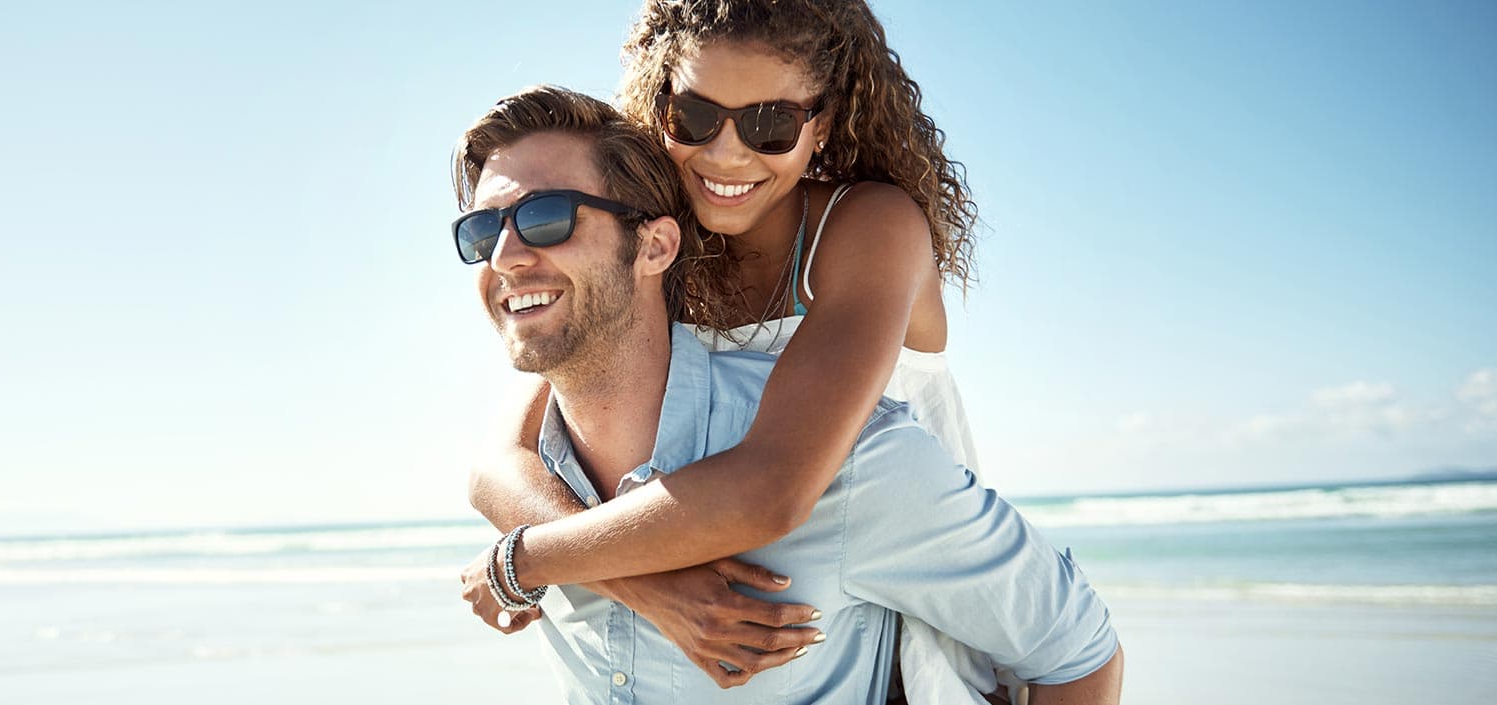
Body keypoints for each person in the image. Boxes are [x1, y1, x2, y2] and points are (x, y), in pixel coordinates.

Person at [449, 86, 1121, 705]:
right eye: (481, 232)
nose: (504, 255)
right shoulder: (533, 481)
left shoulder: (852, 463)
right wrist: (609, 576)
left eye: (546, 218)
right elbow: (492, 475)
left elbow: (1078, 651)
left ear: (654, 246)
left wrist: (520, 562)